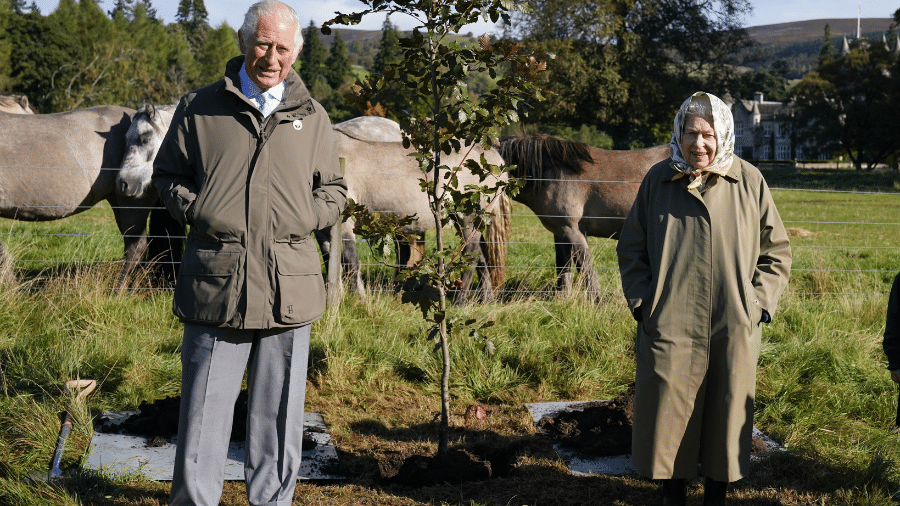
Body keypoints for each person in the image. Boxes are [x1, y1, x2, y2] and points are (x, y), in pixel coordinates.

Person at [151, 1, 348, 504]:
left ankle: (272, 501)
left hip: (290, 286)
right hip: (218, 280)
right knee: (201, 416)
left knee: (279, 416)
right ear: (242, 43)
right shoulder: (200, 108)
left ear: (296, 52)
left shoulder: (314, 117)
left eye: (283, 47)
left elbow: (335, 190)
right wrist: (199, 211)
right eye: (263, 43)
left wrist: (306, 218)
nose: (272, 56)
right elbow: (168, 175)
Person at [616, 91, 792, 506]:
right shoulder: (658, 180)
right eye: (691, 133)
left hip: (732, 320)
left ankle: (717, 495)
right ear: (678, 133)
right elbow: (631, 250)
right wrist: (644, 304)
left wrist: (758, 305)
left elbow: (777, 252)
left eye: (708, 134)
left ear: (723, 134)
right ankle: (671, 493)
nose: (699, 143)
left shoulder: (748, 180)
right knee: (667, 414)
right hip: (669, 319)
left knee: (726, 412)